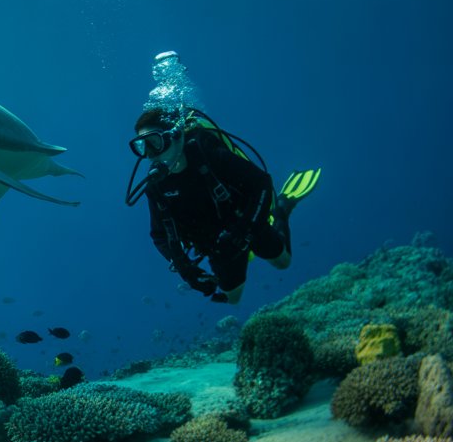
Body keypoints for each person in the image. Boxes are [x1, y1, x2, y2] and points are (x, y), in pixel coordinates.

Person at [125, 107, 320, 305]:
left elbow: (261, 182)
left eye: (154, 142)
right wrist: (184, 267)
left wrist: (245, 230)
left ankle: (281, 207)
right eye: (142, 146)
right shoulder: (155, 186)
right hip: (216, 246)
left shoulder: (209, 153)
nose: (149, 155)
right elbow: (159, 235)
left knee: (283, 263)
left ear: (175, 136)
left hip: (247, 222)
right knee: (233, 299)